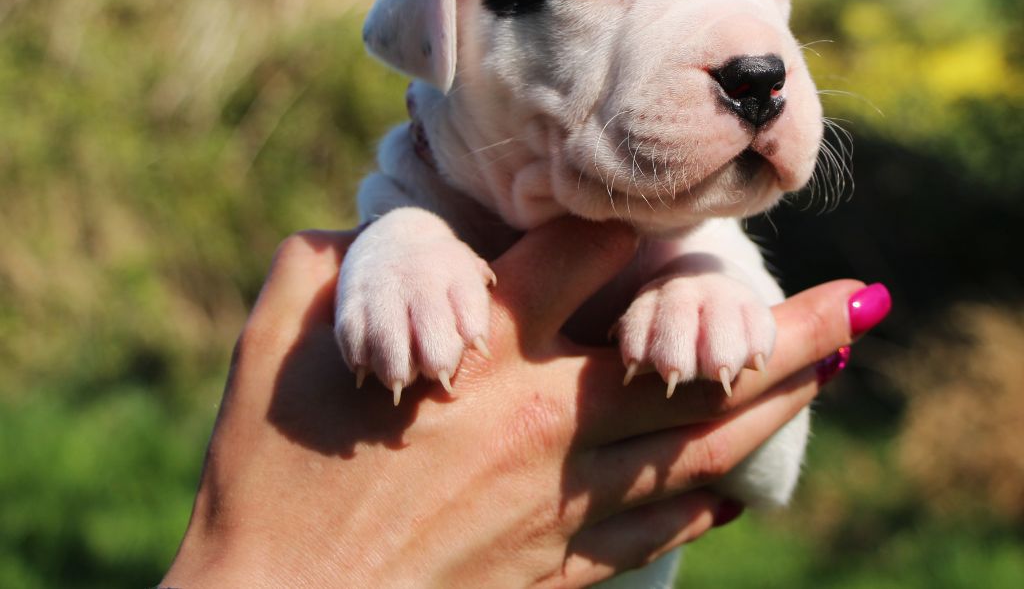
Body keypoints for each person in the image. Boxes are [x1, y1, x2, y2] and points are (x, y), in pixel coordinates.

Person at [161, 216, 889, 588]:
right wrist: (401, 237)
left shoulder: (701, 243)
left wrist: (706, 283)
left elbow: (765, 475)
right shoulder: (418, 200)